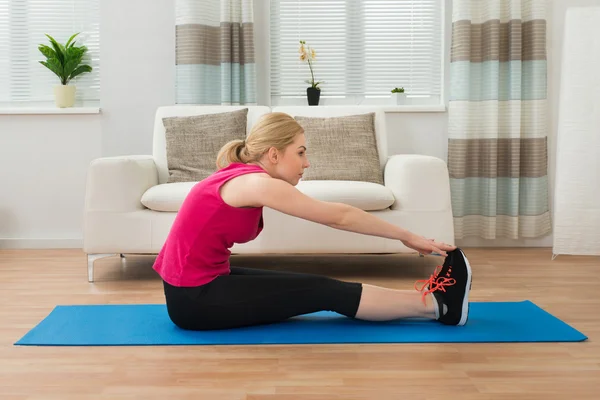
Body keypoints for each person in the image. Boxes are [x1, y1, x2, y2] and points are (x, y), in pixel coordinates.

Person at [153, 112, 472, 331]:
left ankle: (434, 302)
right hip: (194, 299)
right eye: (301, 153)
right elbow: (340, 216)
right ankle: (438, 306)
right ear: (274, 154)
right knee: (323, 290)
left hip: (194, 286)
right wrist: (408, 237)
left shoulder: (241, 175)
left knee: (311, 283)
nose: (307, 163)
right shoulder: (258, 183)